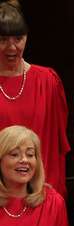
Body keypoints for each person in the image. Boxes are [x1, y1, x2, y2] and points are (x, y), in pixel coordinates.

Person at [0, 3, 70, 193]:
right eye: (3, 39)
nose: (12, 47)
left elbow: (56, 150)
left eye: (18, 38)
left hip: (39, 193)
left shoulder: (47, 81)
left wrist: (51, 194)